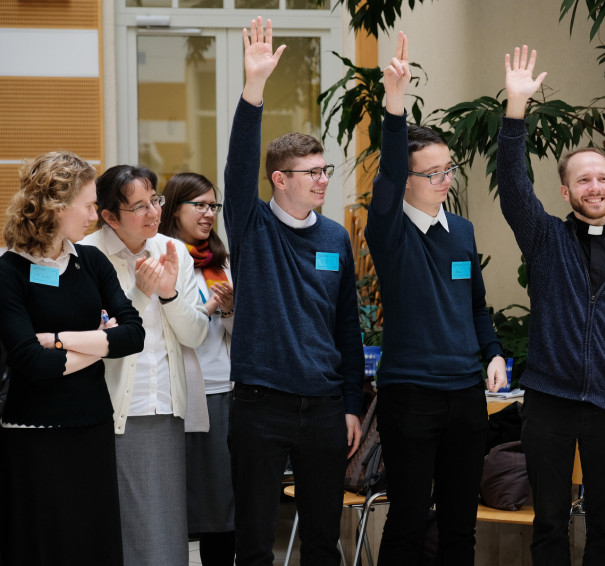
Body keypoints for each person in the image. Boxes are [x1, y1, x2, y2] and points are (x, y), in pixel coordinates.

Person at [496, 46, 605, 565]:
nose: (595, 187)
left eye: (602, 179)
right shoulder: (545, 239)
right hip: (548, 402)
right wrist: (515, 110)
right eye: (583, 180)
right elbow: (512, 187)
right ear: (566, 191)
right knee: (548, 523)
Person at [224, 17, 363, 566]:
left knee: (323, 540)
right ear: (279, 179)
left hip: (325, 408)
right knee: (255, 540)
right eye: (311, 173)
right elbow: (239, 168)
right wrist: (253, 88)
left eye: (325, 170)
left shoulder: (335, 237)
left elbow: (346, 326)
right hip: (261, 405)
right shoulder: (252, 225)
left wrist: (351, 405)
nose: (324, 180)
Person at [366, 32, 507, 565]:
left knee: (459, 525)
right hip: (410, 396)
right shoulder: (389, 231)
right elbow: (386, 171)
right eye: (432, 173)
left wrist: (493, 352)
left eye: (449, 169)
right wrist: (395, 101)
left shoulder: (462, 231)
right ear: (405, 181)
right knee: (406, 520)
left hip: (466, 396)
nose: (445, 180)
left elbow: (476, 306)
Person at [0, 151, 145, 566]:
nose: (94, 217)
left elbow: (133, 334)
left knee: (93, 542)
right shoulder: (9, 272)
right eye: (88, 206)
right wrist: (98, 345)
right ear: (56, 207)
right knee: (45, 545)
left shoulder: (91, 261)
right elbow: (32, 363)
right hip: (35, 434)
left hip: (92, 426)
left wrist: (61, 340)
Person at [80, 164, 210, 566]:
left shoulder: (172, 251)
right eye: (139, 207)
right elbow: (103, 339)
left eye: (155, 200)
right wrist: (141, 293)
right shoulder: (86, 255)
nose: (154, 212)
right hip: (110, 410)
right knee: (113, 528)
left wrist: (168, 294)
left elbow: (196, 335)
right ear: (109, 216)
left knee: (165, 529)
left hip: (165, 405)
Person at [160, 172, 236, 566]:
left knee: (221, 504)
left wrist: (229, 310)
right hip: (177, 391)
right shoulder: (162, 259)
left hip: (222, 387)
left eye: (213, 206)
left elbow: (238, 335)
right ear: (175, 209)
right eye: (200, 205)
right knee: (177, 501)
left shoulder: (222, 262)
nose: (209, 214)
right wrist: (206, 309)